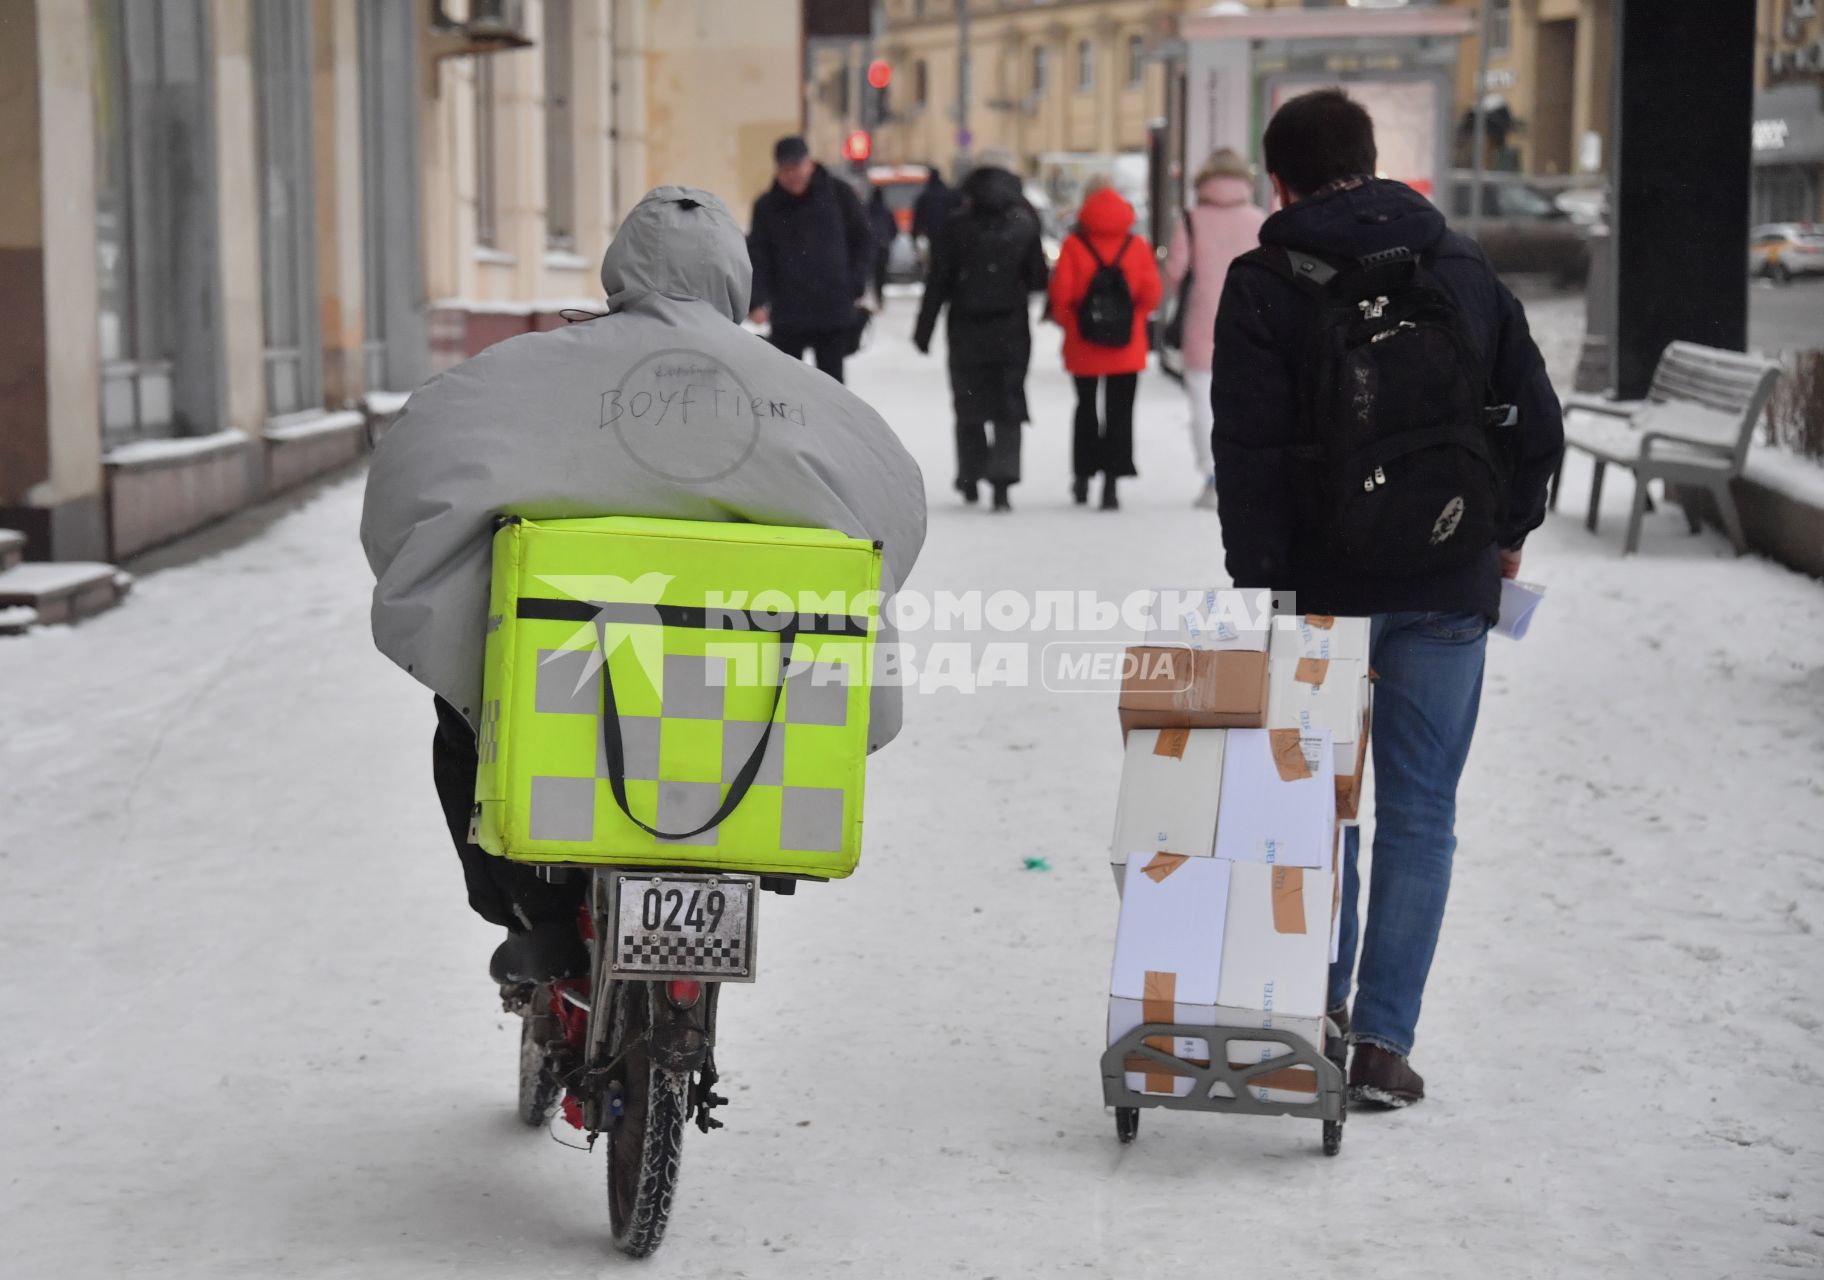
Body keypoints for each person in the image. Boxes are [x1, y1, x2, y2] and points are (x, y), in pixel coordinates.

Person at [361, 187, 927, 982]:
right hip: (745, 687)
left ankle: (535, 916)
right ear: (737, 276)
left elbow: (410, 474)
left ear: (617, 268)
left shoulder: (512, 378)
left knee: (466, 725)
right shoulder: (812, 401)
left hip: (567, 669)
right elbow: (893, 512)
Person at [1210, 89, 1563, 1107]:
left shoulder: (1265, 282)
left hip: (1322, 589)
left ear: (1278, 180)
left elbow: (1250, 457)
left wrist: (1262, 588)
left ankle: (1314, 1011)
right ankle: (1384, 1043)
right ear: (1373, 159)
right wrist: (1505, 537)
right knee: (1422, 813)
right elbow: (1533, 419)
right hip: (1450, 584)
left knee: (1323, 811)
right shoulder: (1458, 261)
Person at [911, 164, 1050, 513]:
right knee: (1009, 404)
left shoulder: (955, 228)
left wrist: (924, 329)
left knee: (969, 402)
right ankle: (1003, 484)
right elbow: (1037, 279)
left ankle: (970, 477)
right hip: (1011, 330)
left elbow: (938, 282)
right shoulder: (1024, 227)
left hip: (966, 328)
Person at [1161, 148, 1266, 510]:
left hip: (1203, 321)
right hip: (1251, 322)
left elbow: (1175, 271)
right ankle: (1245, 475)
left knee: (1204, 402)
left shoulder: (1191, 219)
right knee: (1248, 403)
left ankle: (1212, 477)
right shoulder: (1259, 220)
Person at [1048, 184, 1161, 510]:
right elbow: (1151, 295)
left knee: (1085, 409)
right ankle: (1111, 485)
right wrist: (1132, 319)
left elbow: (1061, 296)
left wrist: (1072, 324)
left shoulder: (1073, 245)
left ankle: (1082, 477)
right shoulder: (1136, 246)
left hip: (1083, 345)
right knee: (1120, 413)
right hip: (1126, 348)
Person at [746, 136, 875, 383]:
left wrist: (855, 282)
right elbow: (758, 255)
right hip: (788, 314)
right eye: (786, 169)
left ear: (810, 164)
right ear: (778, 170)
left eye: (797, 166)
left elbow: (865, 241)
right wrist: (757, 300)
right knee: (786, 390)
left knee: (831, 391)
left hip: (833, 311)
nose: (793, 175)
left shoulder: (839, 195)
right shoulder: (766, 207)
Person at [910, 164, 960, 252]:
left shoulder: (925, 196)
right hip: (950, 232)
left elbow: (918, 217)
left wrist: (914, 235)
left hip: (933, 233)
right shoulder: (950, 193)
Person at [866, 185, 898, 302]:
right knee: (881, 273)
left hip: (870, 246)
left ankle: (870, 296)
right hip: (883, 245)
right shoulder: (886, 211)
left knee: (869, 273)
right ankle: (879, 296)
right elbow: (894, 229)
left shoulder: (866, 209)